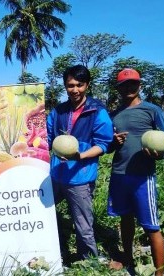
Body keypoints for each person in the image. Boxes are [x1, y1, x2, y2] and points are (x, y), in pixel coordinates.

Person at [46, 65, 114, 260]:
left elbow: (103, 144)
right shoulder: (58, 111)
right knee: (39, 211)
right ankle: (46, 249)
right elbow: (48, 138)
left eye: (79, 85)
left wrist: (80, 156)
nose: (75, 90)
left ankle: (89, 262)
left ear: (87, 85)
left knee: (83, 224)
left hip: (80, 178)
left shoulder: (96, 111)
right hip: (56, 174)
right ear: (65, 86)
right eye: (70, 85)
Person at [107, 68, 164, 276]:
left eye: (133, 83)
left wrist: (159, 155)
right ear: (119, 88)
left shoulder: (152, 110)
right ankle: (127, 258)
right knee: (125, 219)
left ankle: (159, 273)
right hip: (119, 174)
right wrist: (113, 143)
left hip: (143, 176)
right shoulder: (113, 115)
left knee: (151, 226)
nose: (129, 88)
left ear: (140, 85)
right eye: (124, 85)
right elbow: (108, 146)